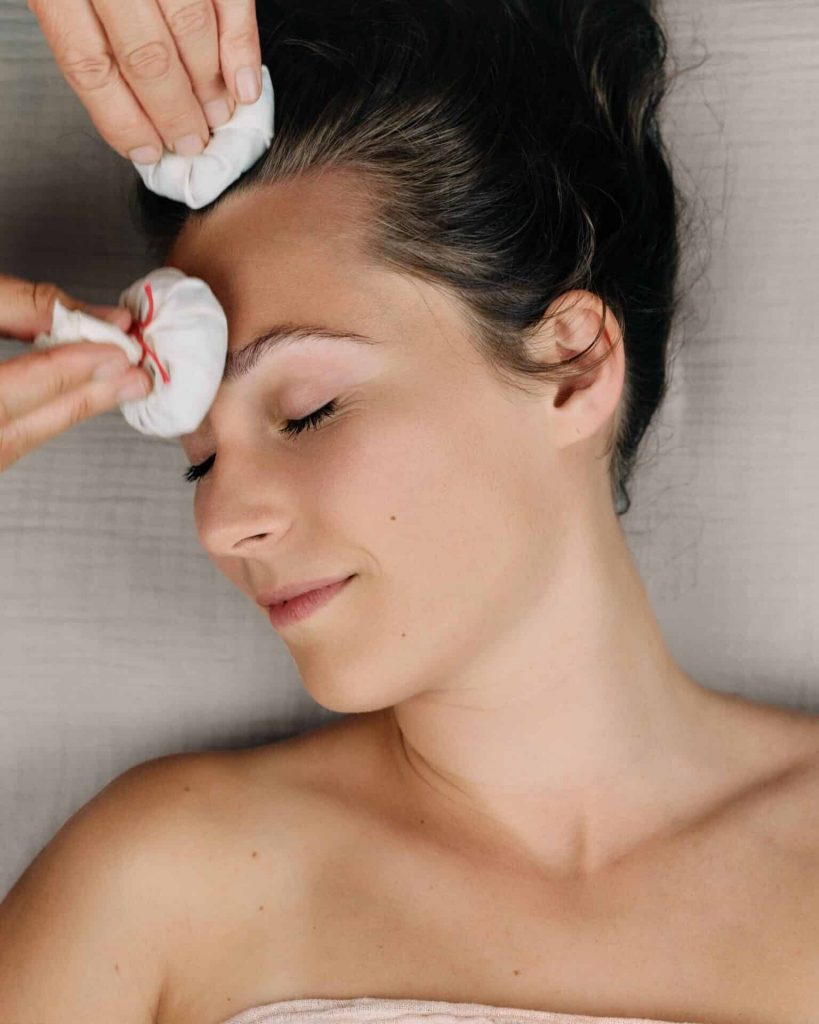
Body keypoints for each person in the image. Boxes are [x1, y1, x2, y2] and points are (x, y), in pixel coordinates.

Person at [2, 2, 819, 1024]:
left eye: (307, 411)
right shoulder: (154, 886)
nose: (220, 522)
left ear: (572, 366)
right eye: (197, 461)